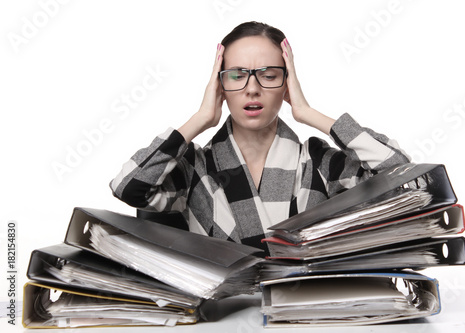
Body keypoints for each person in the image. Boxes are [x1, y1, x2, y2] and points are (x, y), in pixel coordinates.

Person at [110, 21, 410, 253]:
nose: (252, 88)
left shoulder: (319, 162)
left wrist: (307, 112)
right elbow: (128, 188)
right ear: (220, 87)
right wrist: (199, 120)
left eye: (268, 75)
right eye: (237, 75)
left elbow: (401, 175)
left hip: (306, 315)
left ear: (287, 84)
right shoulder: (193, 168)